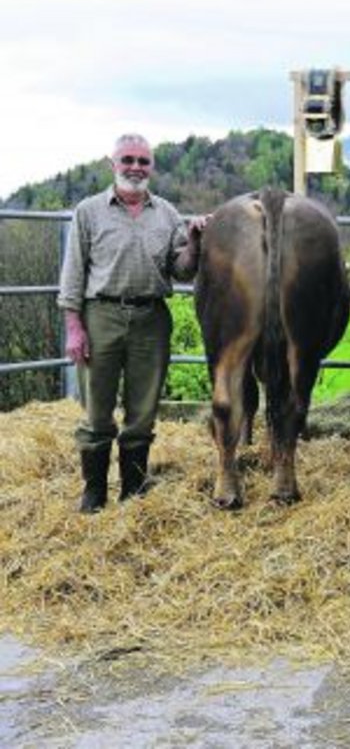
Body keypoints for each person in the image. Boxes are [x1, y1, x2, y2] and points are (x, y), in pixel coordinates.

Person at [57, 134, 205, 512]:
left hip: (151, 319)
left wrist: (194, 242)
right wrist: (74, 327)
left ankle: (133, 491)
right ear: (113, 164)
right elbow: (73, 272)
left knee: (143, 411)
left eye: (143, 161)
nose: (135, 167)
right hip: (100, 315)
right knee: (97, 411)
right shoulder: (89, 211)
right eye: (128, 160)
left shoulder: (167, 213)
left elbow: (182, 271)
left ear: (151, 166)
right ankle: (94, 493)